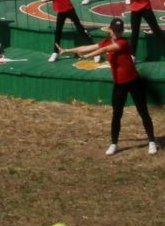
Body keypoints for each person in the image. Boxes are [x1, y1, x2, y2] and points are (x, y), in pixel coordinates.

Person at [64, 17, 158, 155]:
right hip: (120, 84)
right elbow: (88, 47)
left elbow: (105, 49)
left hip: (134, 81)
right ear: (110, 30)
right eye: (115, 31)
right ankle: (114, 143)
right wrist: (67, 51)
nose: (117, 33)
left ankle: (151, 141)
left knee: (143, 111)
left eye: (119, 31)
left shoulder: (123, 42)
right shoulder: (106, 41)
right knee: (116, 114)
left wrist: (86, 56)